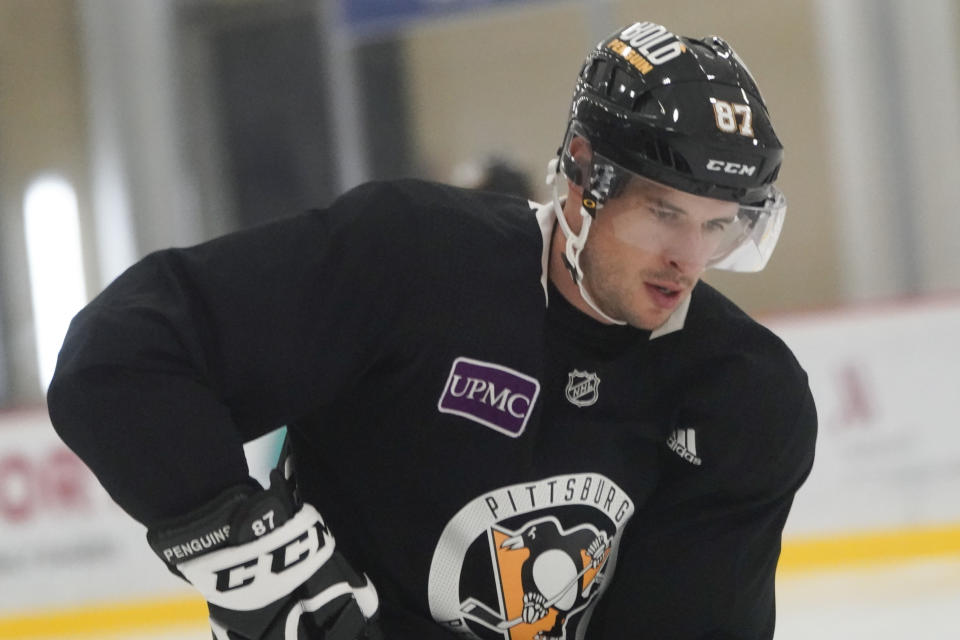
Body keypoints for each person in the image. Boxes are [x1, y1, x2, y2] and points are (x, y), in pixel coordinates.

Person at [47, 19, 816, 640]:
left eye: (718, 227)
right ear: (584, 172)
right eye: (664, 213)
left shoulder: (744, 396)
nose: (689, 259)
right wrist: (266, 570)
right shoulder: (410, 263)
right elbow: (118, 359)